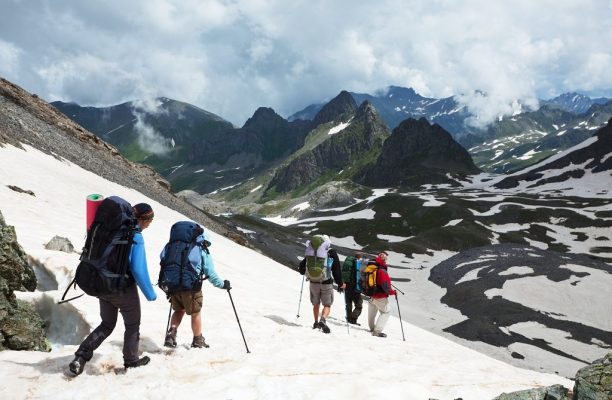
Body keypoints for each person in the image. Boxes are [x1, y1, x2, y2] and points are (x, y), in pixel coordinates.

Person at [69, 202, 157, 375]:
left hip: (102, 283)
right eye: (150, 221)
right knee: (132, 325)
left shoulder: (109, 230)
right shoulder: (135, 236)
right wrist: (150, 294)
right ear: (144, 219)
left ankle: (80, 357)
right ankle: (131, 361)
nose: (149, 225)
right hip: (122, 289)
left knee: (107, 324)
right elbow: (138, 269)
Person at [163, 229, 230, 349]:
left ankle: (171, 333)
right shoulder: (201, 250)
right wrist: (222, 285)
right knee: (195, 313)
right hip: (191, 288)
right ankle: (198, 340)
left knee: (179, 310)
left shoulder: (174, 247)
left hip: (173, 285)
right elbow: (210, 273)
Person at [298, 235, 344, 334]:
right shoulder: (331, 252)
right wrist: (340, 283)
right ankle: (322, 320)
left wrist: (304, 272)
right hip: (326, 282)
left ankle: (315, 322)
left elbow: (302, 267)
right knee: (327, 304)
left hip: (313, 281)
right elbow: (336, 270)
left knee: (316, 303)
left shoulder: (312, 252)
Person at [367, 251, 395, 338]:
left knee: (372, 312)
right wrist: (393, 292)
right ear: (384, 258)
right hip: (380, 296)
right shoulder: (382, 270)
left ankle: (372, 328)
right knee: (386, 311)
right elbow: (385, 285)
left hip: (372, 294)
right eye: (386, 257)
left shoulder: (373, 267)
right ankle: (377, 331)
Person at [343, 252, 364, 325]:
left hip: (347, 286)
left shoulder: (349, 263)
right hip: (356, 288)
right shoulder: (360, 264)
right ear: (360, 257)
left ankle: (348, 318)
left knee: (348, 303)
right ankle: (353, 319)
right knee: (359, 305)